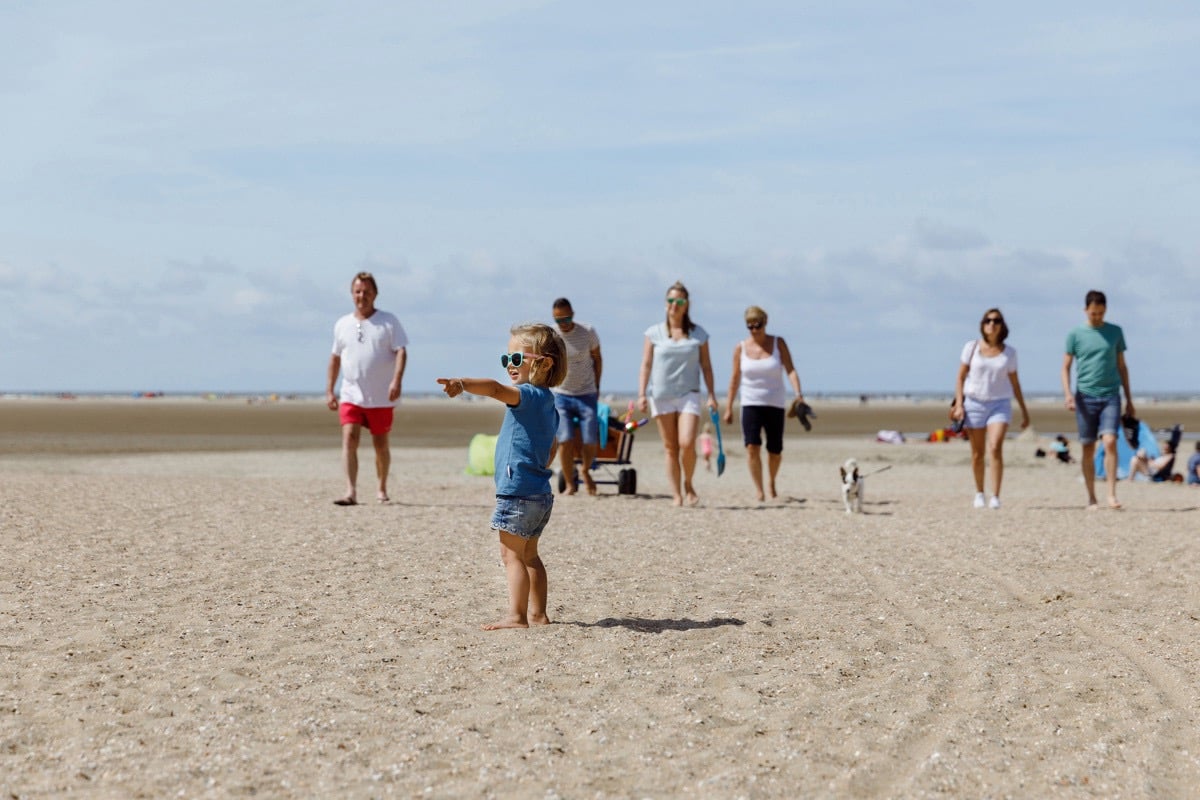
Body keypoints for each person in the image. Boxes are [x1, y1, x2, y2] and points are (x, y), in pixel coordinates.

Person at [437, 323, 567, 630]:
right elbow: (552, 448)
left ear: (543, 363)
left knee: (511, 556)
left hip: (518, 492)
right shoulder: (549, 403)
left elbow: (495, 389)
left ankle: (517, 615)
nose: (510, 366)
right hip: (540, 493)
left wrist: (462, 383)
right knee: (531, 556)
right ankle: (538, 614)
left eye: (517, 359)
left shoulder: (528, 396)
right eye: (506, 360)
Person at [326, 272, 408, 506]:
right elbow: (335, 359)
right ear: (352, 294)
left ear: (375, 294)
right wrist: (330, 390)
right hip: (351, 393)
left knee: (380, 444)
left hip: (381, 395)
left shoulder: (388, 321)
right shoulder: (342, 324)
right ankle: (350, 491)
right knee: (349, 438)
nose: (362, 296)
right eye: (358, 291)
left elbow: (401, 351)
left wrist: (397, 380)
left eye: (367, 291)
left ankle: (381, 488)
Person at [637, 281, 718, 507]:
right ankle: (677, 494)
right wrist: (642, 393)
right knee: (670, 447)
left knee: (687, 443)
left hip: (689, 394)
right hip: (661, 395)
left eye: (679, 301)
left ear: (686, 305)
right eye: (671, 301)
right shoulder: (653, 333)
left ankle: (689, 483)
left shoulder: (698, 334)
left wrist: (711, 394)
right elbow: (646, 364)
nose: (675, 305)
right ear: (666, 304)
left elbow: (707, 366)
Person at [722, 305, 805, 502]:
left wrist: (798, 394)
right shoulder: (740, 348)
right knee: (752, 446)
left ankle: (772, 482)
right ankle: (759, 489)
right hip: (750, 402)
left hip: (775, 403)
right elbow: (734, 378)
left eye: (757, 325)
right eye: (749, 326)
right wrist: (728, 408)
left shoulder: (778, 343)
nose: (754, 330)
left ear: (765, 323)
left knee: (775, 451)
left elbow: (790, 370)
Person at [1061, 290, 1135, 510]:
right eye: (1093, 313)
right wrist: (1067, 394)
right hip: (1084, 397)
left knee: (1110, 441)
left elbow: (1122, 366)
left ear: (1106, 311)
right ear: (1086, 311)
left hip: (1111, 395)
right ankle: (1092, 497)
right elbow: (1065, 367)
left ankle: (1111, 494)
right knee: (1087, 447)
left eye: (1101, 313)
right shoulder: (1075, 334)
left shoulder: (1115, 332)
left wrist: (1129, 399)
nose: (1097, 317)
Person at [950, 308, 1031, 509]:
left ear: (1002, 325)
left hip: (999, 403)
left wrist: (1024, 410)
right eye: (988, 320)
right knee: (977, 452)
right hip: (974, 402)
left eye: (996, 321)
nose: (991, 324)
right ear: (982, 324)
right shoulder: (971, 348)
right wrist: (959, 404)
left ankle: (995, 495)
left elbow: (1015, 383)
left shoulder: (1009, 353)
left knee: (994, 447)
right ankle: (979, 492)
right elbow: (960, 377)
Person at [549, 298, 603, 496]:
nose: (564, 323)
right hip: (562, 394)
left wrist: (597, 386)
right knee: (565, 439)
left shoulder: (587, 331)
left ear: (573, 313)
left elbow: (597, 358)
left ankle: (586, 470)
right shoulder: (553, 334)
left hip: (586, 393)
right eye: (559, 319)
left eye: (567, 318)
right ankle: (570, 483)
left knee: (590, 438)